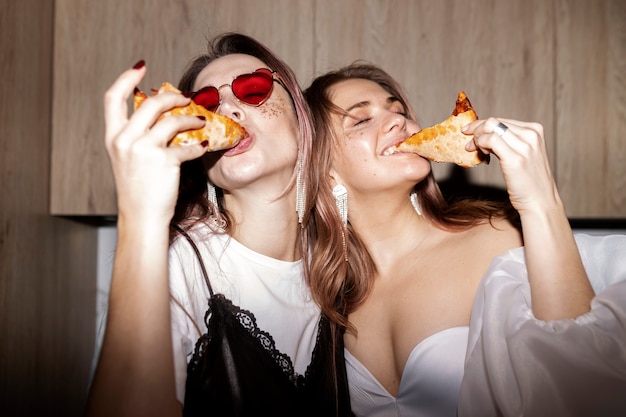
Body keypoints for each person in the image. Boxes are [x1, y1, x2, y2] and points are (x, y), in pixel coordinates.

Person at [303, 62, 626, 417]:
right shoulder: (323, 296)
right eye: (361, 120)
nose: (401, 122)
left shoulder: (496, 239)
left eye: (399, 110)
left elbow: (583, 382)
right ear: (322, 164)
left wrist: (539, 199)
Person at [85, 33, 352, 417]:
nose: (226, 109)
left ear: (302, 116)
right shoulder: (176, 267)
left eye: (253, 89)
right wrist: (140, 217)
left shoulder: (341, 259)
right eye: (207, 105)